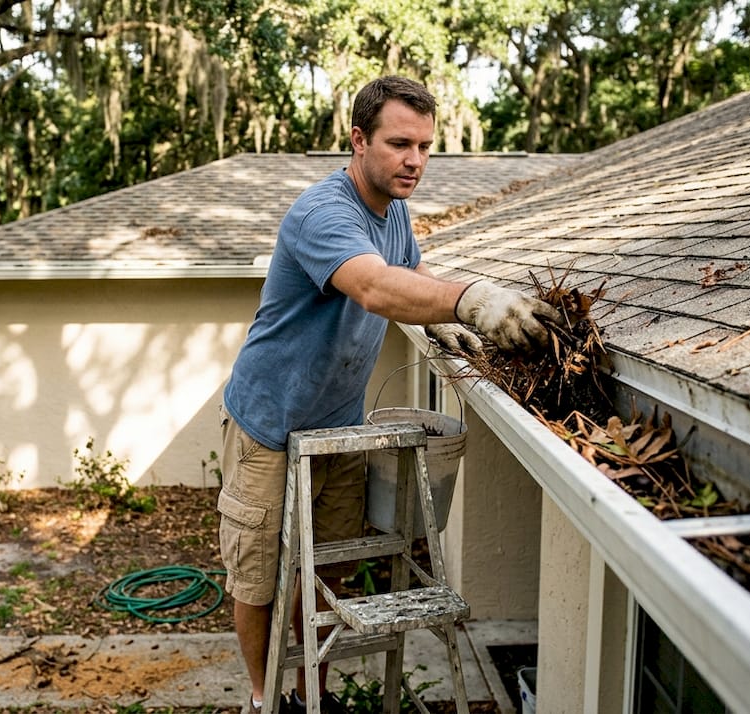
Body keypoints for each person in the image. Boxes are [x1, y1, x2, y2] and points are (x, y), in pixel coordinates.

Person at [218, 75, 563, 713]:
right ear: (358, 140)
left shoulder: (395, 213)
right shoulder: (322, 214)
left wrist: (443, 318)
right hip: (268, 426)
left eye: (426, 146)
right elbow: (376, 288)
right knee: (259, 575)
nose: (416, 161)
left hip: (337, 426)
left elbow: (410, 276)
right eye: (400, 143)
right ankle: (264, 698)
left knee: (327, 569)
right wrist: (473, 299)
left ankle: (311, 690)